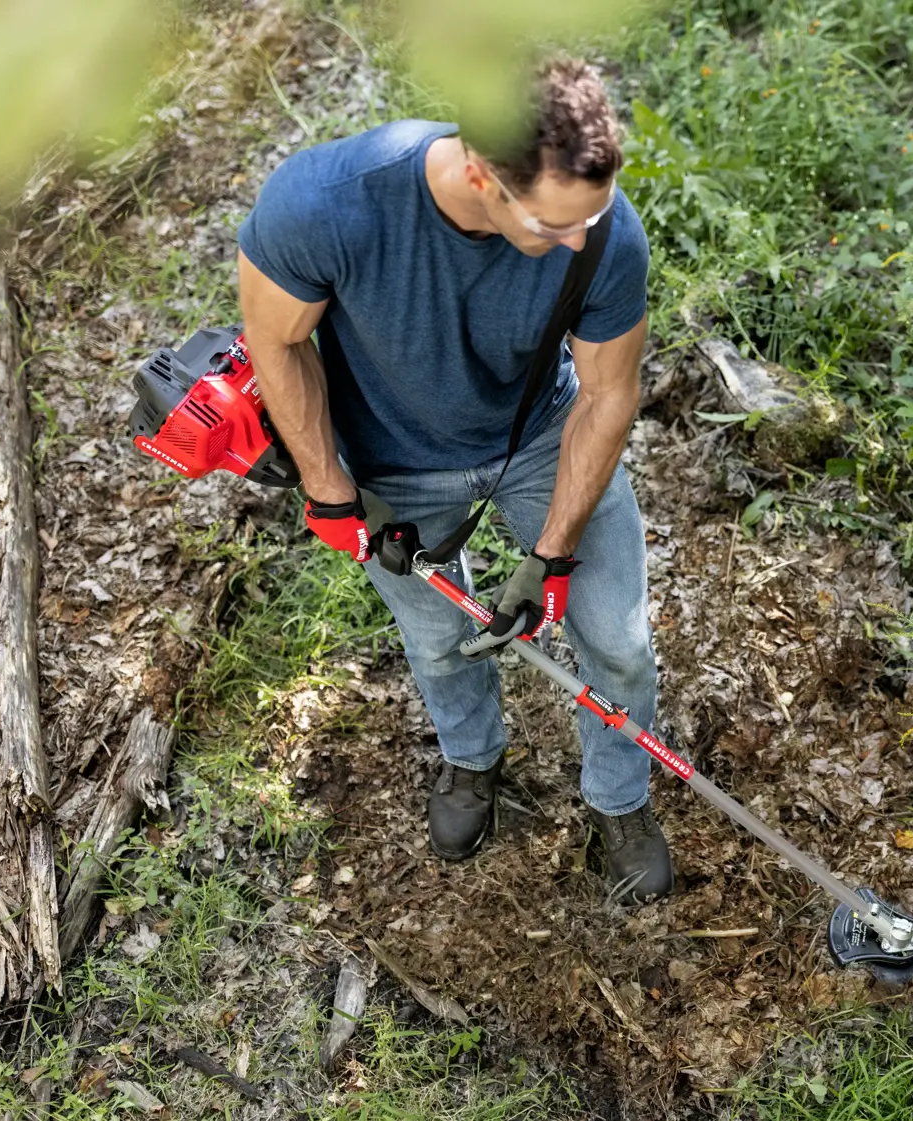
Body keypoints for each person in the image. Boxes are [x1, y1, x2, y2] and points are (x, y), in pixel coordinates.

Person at [233, 58, 671, 901]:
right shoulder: (328, 205)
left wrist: (552, 553)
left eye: (593, 216)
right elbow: (274, 341)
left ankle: (620, 798)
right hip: (391, 455)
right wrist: (330, 489)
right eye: (552, 226)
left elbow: (611, 391)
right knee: (438, 638)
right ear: (480, 174)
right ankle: (474, 761)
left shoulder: (603, 233)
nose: (577, 241)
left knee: (616, 641)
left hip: (540, 432)